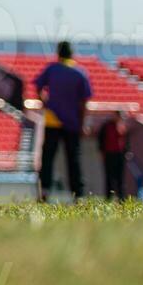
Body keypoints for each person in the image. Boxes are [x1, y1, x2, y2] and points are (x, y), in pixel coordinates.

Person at [35, 41, 93, 202]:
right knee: (73, 159)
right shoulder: (80, 73)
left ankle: (44, 192)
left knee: (48, 158)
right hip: (72, 123)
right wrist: (82, 124)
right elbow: (84, 102)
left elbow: (38, 86)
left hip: (52, 120)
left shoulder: (52, 69)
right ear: (72, 54)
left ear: (58, 54)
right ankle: (78, 195)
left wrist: (45, 102)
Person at [97, 110, 130, 201]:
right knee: (109, 177)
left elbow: (126, 141)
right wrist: (101, 152)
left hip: (119, 155)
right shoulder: (107, 126)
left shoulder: (122, 126)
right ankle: (108, 197)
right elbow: (101, 139)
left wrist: (126, 152)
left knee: (120, 178)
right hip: (109, 154)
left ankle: (121, 197)